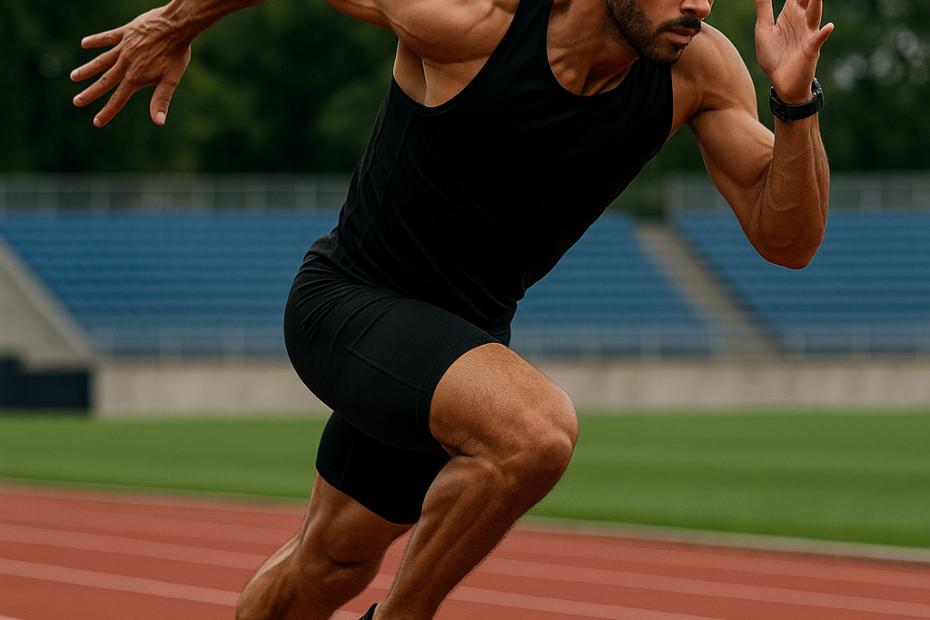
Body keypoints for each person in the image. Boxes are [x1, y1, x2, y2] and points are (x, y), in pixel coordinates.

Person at [72, 0, 832, 619]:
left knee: (328, 564)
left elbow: (786, 238)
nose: (699, 5)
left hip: (459, 346)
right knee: (536, 433)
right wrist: (174, 22)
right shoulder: (477, 19)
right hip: (348, 304)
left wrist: (795, 103)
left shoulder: (699, 69)